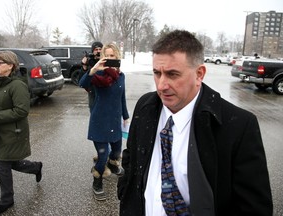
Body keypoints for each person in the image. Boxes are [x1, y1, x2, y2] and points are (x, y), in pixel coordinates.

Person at [117, 30, 273, 216]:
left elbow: (254, 208)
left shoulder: (238, 125)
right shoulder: (145, 106)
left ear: (199, 74)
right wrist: (125, 190)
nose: (161, 85)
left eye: (172, 74)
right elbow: (131, 156)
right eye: (157, 73)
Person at [79, 43, 129, 201]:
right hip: (99, 121)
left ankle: (113, 165)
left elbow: (122, 97)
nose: (109, 58)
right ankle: (97, 181)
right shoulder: (97, 75)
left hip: (115, 121)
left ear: (117, 57)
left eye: (112, 55)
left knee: (116, 152)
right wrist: (92, 70)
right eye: (106, 56)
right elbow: (83, 84)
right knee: (103, 156)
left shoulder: (121, 76)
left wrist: (126, 115)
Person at [0, 50, 43, 215]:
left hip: (13, 133)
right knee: (12, 162)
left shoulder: (17, 85)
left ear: (10, 65)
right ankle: (36, 167)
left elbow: (21, 111)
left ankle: (7, 200)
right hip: (0, 131)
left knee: (2, 165)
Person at [80, 41, 103, 112]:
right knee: (94, 112)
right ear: (93, 51)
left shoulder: (105, 60)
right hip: (92, 91)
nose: (98, 51)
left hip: (104, 91)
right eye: (96, 49)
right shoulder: (89, 61)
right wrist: (84, 66)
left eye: (100, 49)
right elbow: (82, 81)